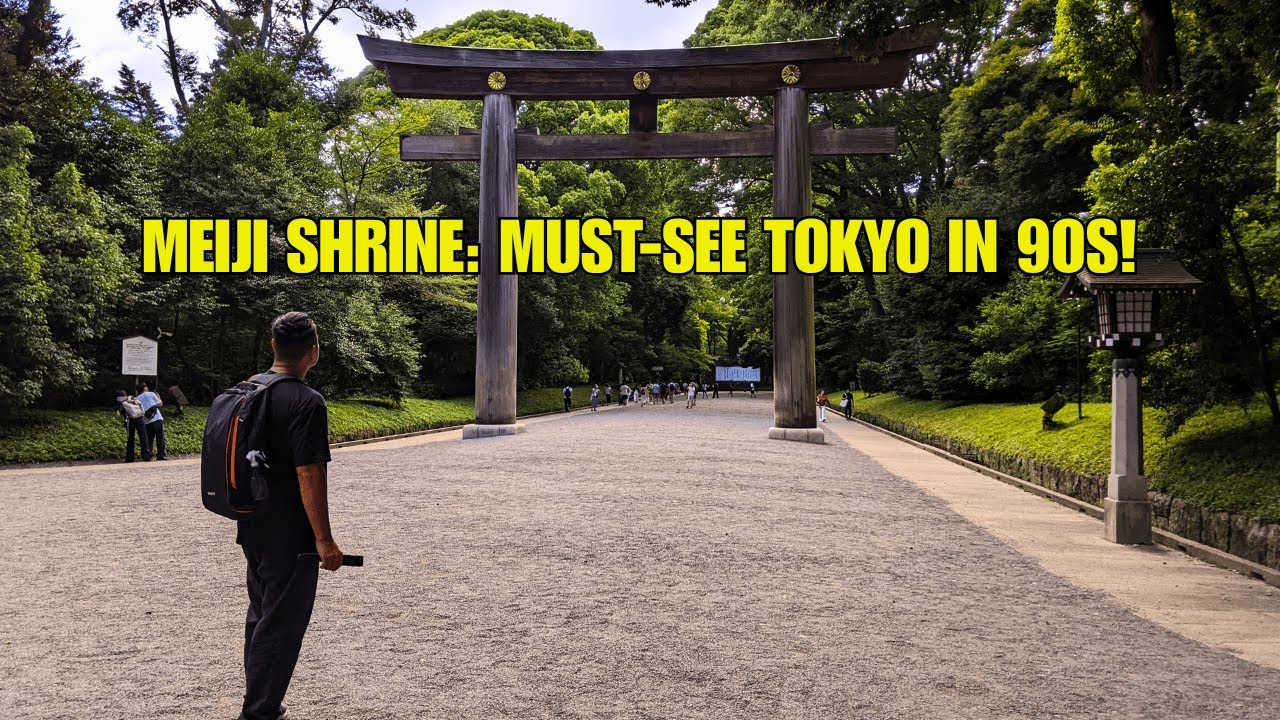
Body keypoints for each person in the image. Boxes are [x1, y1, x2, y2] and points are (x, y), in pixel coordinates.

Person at [235, 311, 345, 720]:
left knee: (262, 615)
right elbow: (309, 472)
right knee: (281, 625)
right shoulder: (305, 400)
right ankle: (259, 711)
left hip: (252, 522)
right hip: (290, 532)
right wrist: (324, 538)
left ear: (272, 346)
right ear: (313, 352)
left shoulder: (250, 391)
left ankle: (262, 702)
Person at [114, 389, 150, 462]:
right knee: (143, 436)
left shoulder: (120, 402)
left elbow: (118, 414)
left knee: (130, 438)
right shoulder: (132, 398)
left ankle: (130, 458)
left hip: (130, 421)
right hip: (140, 418)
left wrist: (121, 417)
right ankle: (146, 456)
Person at [136, 384, 168, 461]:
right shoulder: (151, 394)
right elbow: (160, 404)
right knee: (160, 438)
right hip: (157, 418)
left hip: (147, 421)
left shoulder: (137, 398)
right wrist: (158, 397)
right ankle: (160, 455)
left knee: (149, 439)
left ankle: (148, 456)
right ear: (145, 388)